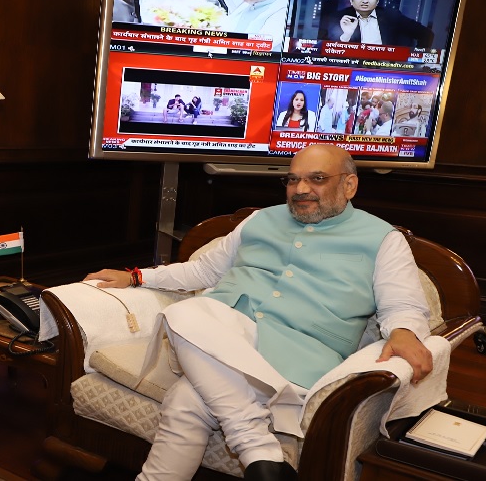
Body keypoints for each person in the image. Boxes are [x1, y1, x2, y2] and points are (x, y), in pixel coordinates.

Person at [85, 144, 433, 481]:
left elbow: (403, 304)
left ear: (349, 184)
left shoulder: (381, 238)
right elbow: (202, 271)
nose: (301, 189)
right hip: (221, 338)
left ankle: (254, 450)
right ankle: (260, 454)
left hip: (300, 358)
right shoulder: (260, 220)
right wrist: (136, 276)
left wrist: (403, 330)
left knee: (187, 397)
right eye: (293, 180)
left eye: (316, 179)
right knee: (188, 314)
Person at [317, 0, 434, 48]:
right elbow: (329, 49)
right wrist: (347, 35)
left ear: (377, 1)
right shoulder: (338, 17)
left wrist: (414, 61)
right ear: (351, 1)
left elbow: (426, 34)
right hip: (352, 69)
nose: (365, 1)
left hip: (385, 69)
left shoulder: (391, 16)